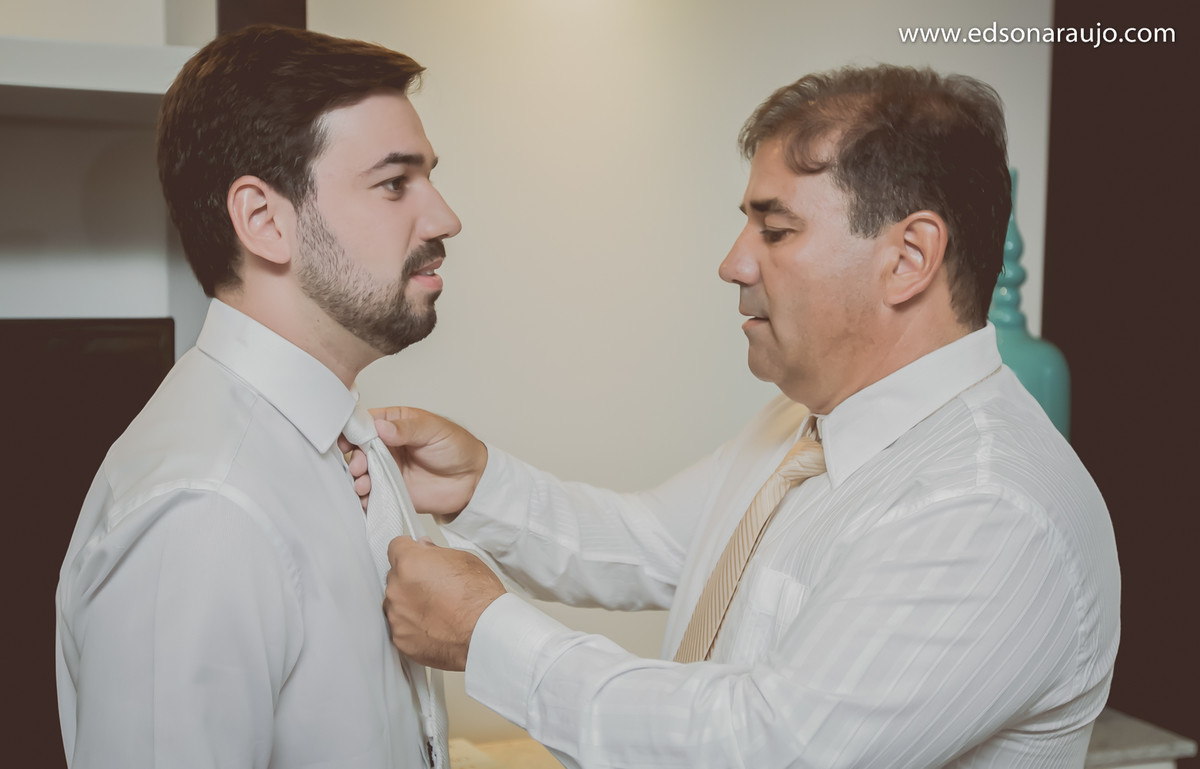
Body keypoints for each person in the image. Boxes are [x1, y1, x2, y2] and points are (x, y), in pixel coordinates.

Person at [369, 65, 1120, 768]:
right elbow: (653, 542)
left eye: (776, 228)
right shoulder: (804, 425)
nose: (734, 262)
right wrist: (477, 487)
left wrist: (490, 635)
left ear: (909, 257)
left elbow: (766, 746)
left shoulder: (989, 506)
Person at [54, 24, 461, 769]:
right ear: (264, 220)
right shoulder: (202, 510)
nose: (444, 219)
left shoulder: (353, 446)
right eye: (395, 182)